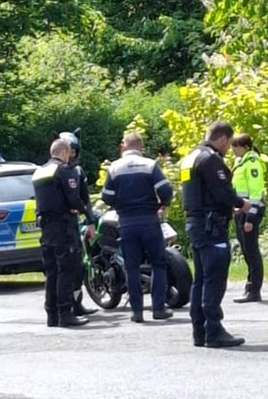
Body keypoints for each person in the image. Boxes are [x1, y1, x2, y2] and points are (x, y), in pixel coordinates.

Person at [180, 121, 251, 348]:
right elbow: (222, 191)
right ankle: (214, 331)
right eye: (228, 144)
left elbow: (199, 192)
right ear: (222, 139)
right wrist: (241, 204)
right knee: (214, 279)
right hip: (211, 226)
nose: (228, 148)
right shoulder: (210, 159)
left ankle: (199, 331)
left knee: (201, 279)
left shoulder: (190, 157)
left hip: (195, 222)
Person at [101, 133, 174, 323]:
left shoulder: (114, 167)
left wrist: (120, 205)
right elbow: (166, 189)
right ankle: (158, 308)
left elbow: (106, 196)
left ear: (123, 146)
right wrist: (162, 204)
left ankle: (137, 312)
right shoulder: (150, 165)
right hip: (149, 220)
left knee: (131, 267)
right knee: (158, 263)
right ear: (141, 147)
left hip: (126, 222)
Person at [32, 139, 96, 328]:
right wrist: (87, 214)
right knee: (66, 270)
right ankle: (65, 313)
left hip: (46, 228)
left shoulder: (39, 172)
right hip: (63, 226)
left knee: (51, 272)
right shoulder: (63, 170)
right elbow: (73, 198)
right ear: (65, 152)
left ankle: (52, 315)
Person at [57, 129, 99, 316]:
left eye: (74, 151)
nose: (71, 156)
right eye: (69, 151)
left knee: (78, 265)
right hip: (58, 224)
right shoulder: (54, 171)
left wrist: (90, 221)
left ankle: (76, 303)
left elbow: (85, 198)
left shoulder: (78, 172)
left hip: (72, 223)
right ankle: (63, 307)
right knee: (63, 267)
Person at [231, 133, 268, 303]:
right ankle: (250, 286)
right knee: (246, 249)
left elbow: (255, 192)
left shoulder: (252, 163)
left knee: (251, 250)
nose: (233, 150)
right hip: (241, 211)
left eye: (236, 147)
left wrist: (250, 218)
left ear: (245, 147)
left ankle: (254, 289)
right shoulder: (241, 163)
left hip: (250, 211)